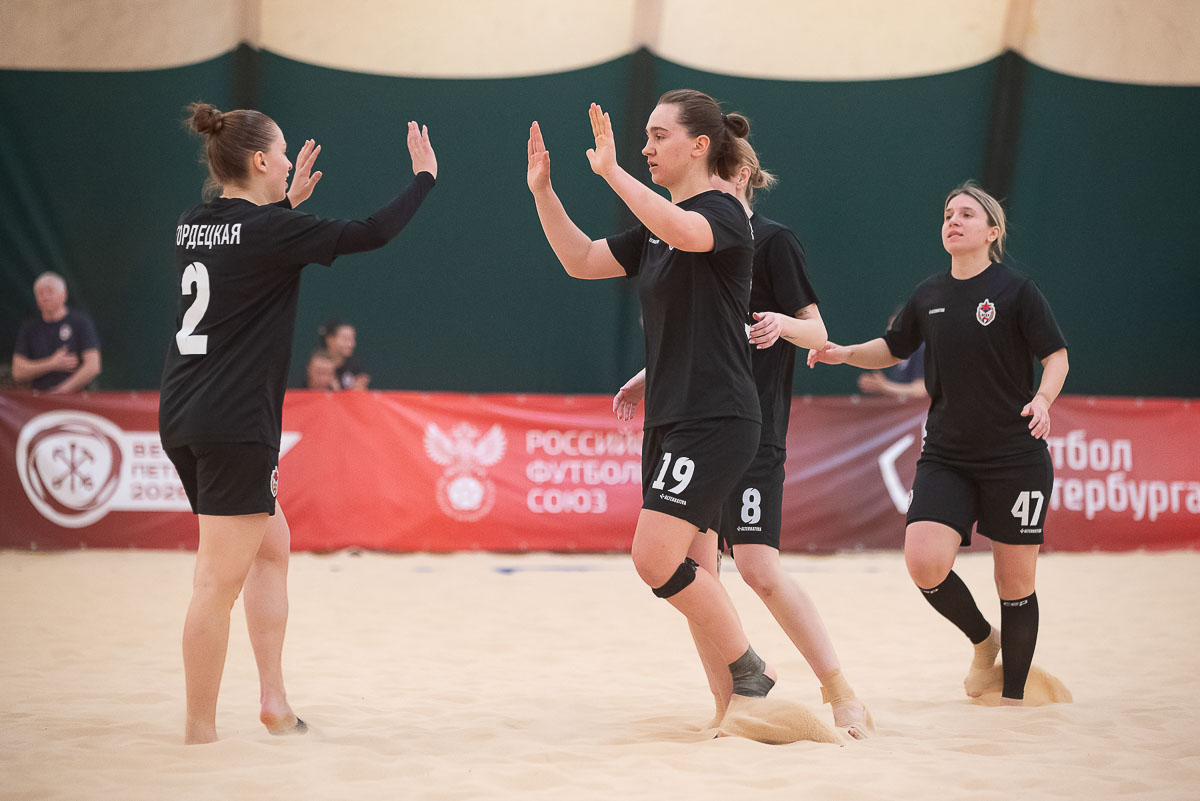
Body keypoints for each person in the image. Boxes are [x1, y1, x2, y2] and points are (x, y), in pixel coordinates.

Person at [159, 101, 437, 743]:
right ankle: (199, 731)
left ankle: (274, 701)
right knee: (215, 582)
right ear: (259, 161)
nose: (290, 162)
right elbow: (372, 232)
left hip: (183, 410)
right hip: (235, 421)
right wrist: (423, 179)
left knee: (270, 548)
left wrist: (283, 206)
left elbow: (243, 253)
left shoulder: (192, 223)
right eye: (282, 154)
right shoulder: (272, 231)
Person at [527, 90, 781, 718]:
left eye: (658, 136)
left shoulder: (722, 211)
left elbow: (686, 232)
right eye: (644, 136)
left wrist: (612, 172)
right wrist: (544, 193)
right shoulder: (656, 229)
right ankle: (734, 710)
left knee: (653, 559)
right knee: (696, 569)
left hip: (716, 415)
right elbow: (581, 261)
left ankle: (751, 673)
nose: (645, 147)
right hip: (672, 416)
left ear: (700, 146)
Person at [613, 137, 872, 738]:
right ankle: (730, 704)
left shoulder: (771, 241)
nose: (709, 182)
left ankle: (840, 691)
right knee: (697, 569)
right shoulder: (688, 237)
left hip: (749, 425)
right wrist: (649, 377)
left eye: (719, 171)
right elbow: (698, 332)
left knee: (758, 568)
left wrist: (784, 324)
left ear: (742, 174)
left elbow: (818, 333)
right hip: (697, 420)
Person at [808, 181, 1069, 705]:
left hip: (1015, 457)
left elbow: (1056, 356)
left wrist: (1043, 400)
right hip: (947, 456)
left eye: (967, 214)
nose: (953, 220)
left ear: (992, 231)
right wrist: (844, 352)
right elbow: (892, 347)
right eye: (949, 214)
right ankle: (984, 640)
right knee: (924, 562)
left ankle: (1013, 699)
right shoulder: (929, 295)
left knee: (1015, 583)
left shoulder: (1017, 291)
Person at [11, 272, 102, 392]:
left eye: (50, 291)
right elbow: (18, 372)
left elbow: (93, 366)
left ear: (63, 294)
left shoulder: (80, 322)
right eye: (40, 293)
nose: (45, 297)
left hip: (75, 398)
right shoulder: (30, 327)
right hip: (39, 397)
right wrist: (51, 364)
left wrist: (60, 391)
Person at [857, 312, 928, 400]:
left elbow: (920, 391)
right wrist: (879, 385)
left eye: (895, 326)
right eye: (889, 325)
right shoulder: (897, 352)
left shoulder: (921, 349)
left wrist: (885, 386)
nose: (889, 330)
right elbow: (897, 388)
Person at [317, 319, 369, 390]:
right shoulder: (317, 363)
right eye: (345, 339)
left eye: (352, 339)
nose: (351, 344)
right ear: (330, 339)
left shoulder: (357, 368)